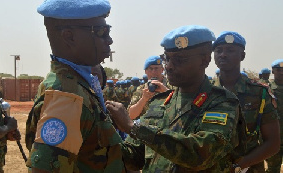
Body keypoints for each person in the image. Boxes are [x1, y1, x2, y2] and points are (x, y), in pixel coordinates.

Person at [106, 25, 247, 172]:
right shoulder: (159, 103)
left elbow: (200, 154)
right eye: (167, 58)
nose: (169, 66)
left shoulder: (222, 102)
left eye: (180, 59)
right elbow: (133, 157)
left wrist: (133, 127)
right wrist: (102, 131)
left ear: (205, 60)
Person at [25, 0, 126, 172]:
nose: (109, 40)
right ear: (69, 37)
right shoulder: (66, 96)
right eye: (101, 31)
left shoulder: (79, 84)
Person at [213, 31, 280, 172]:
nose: (223, 54)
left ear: (242, 56)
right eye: (218, 50)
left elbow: (273, 143)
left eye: (230, 50)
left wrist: (239, 166)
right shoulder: (205, 92)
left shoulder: (259, 93)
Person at [128, 55, 170, 120]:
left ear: (162, 70)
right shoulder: (141, 89)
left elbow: (181, 108)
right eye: (150, 69)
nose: (153, 72)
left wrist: (167, 93)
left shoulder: (172, 85)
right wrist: (143, 99)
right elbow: (131, 115)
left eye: (156, 68)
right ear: (145, 71)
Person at [265, 59, 283, 173]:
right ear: (273, 71)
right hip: (274, 137)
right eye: (278, 70)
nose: (282, 72)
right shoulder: (266, 89)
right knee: (273, 169)